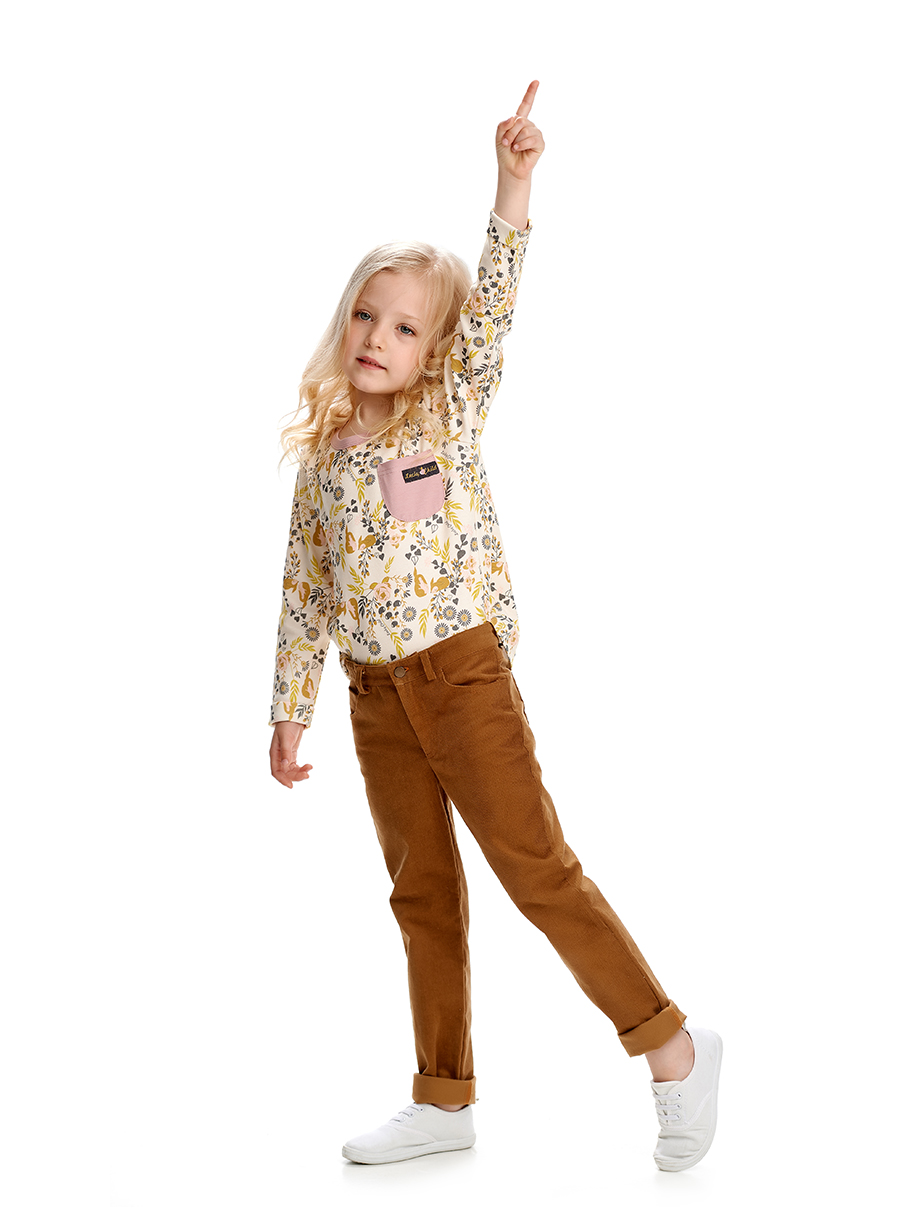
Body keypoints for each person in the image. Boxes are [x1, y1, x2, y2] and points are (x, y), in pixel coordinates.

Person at [267, 80, 722, 1171]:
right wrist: (290, 711)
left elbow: (496, 303)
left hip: (461, 676)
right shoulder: (325, 457)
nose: (378, 336)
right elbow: (303, 591)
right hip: (375, 695)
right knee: (420, 893)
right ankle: (442, 1096)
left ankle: (671, 1047)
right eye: (366, 315)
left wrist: (512, 184)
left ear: (436, 349)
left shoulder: (448, 411)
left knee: (537, 870)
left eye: (405, 325)